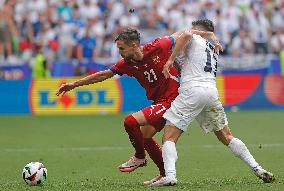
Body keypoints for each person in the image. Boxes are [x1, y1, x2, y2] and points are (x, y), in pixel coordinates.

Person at [56, 28, 220, 184]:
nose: (120, 52)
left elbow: (185, 33)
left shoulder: (158, 46)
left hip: (173, 99)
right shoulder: (126, 63)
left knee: (130, 121)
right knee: (145, 137)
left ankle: (140, 157)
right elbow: (104, 74)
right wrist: (74, 84)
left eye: (122, 48)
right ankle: (164, 174)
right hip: (159, 102)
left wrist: (209, 34)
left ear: (134, 45)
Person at [150, 19, 275, 186]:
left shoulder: (194, 37)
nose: (189, 30)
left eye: (193, 28)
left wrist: (171, 59)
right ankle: (257, 167)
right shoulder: (212, 49)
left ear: (198, 30)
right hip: (211, 92)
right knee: (227, 136)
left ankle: (170, 175)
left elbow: (187, 34)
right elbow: (189, 64)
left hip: (192, 90)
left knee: (169, 137)